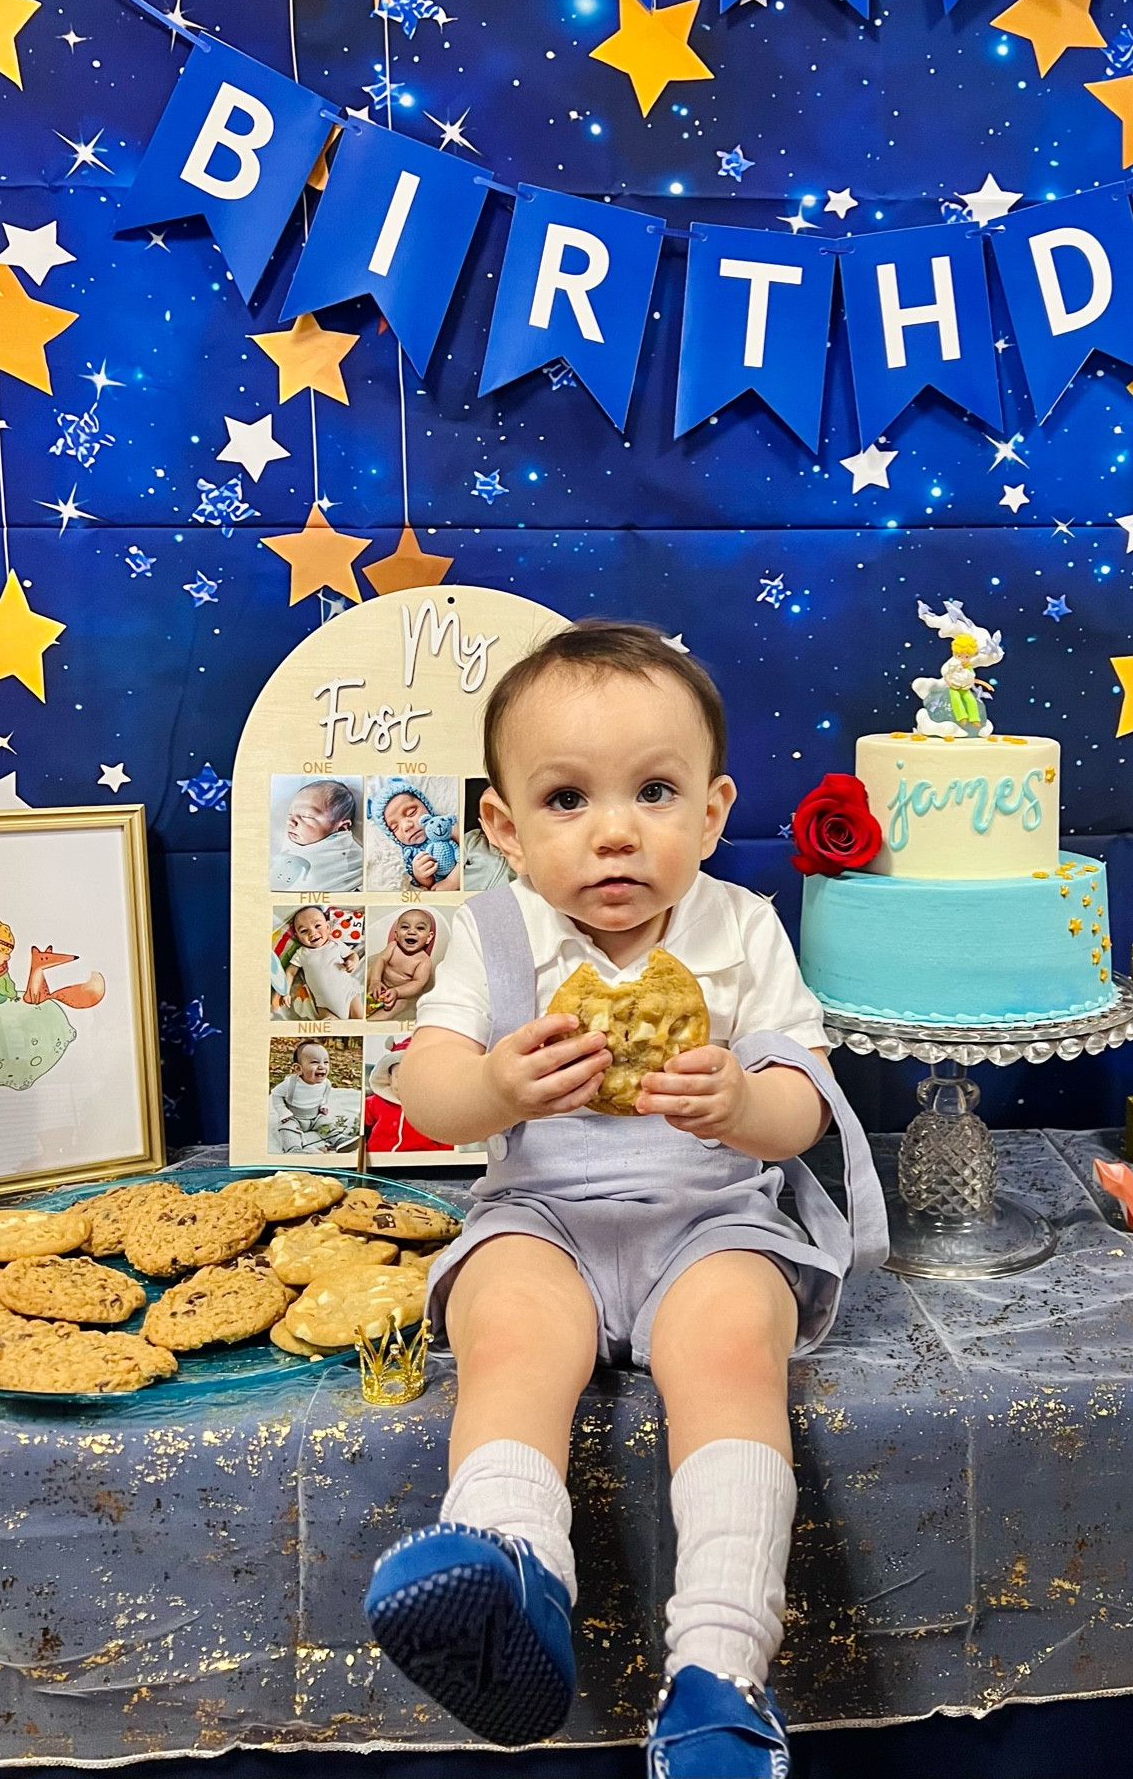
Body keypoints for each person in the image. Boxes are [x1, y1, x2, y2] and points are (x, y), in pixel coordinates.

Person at [362, 621, 885, 1778]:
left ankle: (719, 1674)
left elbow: (807, 1102)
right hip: (546, 1218)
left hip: (710, 1219)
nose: (614, 831)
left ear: (708, 811)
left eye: (654, 791)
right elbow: (424, 1086)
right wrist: (494, 1082)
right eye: (564, 798)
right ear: (500, 825)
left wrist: (743, 1101)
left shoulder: (739, 929)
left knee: (734, 1347)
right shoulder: (490, 933)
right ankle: (513, 1570)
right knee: (500, 1322)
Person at [270, 781, 364, 893]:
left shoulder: (349, 853)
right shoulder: (286, 842)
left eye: (307, 816)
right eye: (290, 814)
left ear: (342, 828)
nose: (290, 822)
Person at [267, 1037, 354, 1153]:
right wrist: (283, 1112)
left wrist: (324, 1105)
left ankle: (339, 1140)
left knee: (325, 1124)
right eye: (315, 1062)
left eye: (326, 1062)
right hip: (294, 1117)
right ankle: (294, 1149)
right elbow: (276, 1094)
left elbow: (325, 1096)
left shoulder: (326, 1084)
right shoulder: (291, 1083)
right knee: (287, 1129)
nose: (322, 1066)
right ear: (298, 1068)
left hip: (315, 1116)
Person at [286, 905, 364, 1022]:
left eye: (317, 926)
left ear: (328, 927)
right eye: (304, 931)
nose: (312, 933)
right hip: (325, 1006)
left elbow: (353, 954)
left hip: (349, 996)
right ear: (297, 937)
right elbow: (290, 972)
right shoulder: (302, 953)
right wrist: (285, 992)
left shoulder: (335, 944)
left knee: (359, 1022)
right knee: (330, 1027)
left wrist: (352, 962)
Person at [367, 908, 439, 1018]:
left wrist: (397, 992)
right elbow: (380, 959)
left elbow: (418, 983)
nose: (411, 931)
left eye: (420, 928)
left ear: (429, 937)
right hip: (381, 983)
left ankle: (373, 1021)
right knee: (370, 968)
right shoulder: (393, 946)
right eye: (405, 927)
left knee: (401, 1004)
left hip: (401, 993)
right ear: (396, 935)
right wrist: (375, 981)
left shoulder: (423, 961)